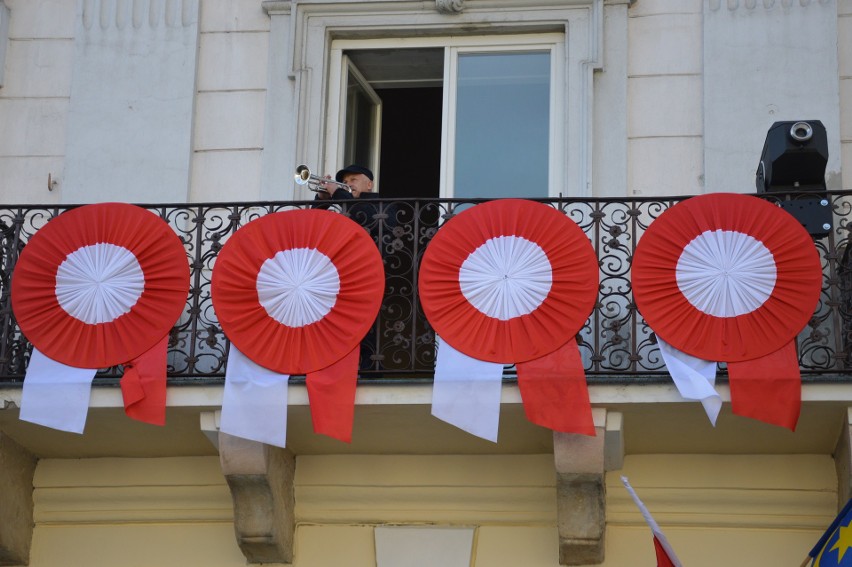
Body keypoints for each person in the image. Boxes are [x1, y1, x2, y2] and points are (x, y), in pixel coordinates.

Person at [313, 164, 394, 373]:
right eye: (345, 181)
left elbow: (365, 215)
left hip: (369, 276)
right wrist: (322, 200)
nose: (348, 184)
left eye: (353, 180)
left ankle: (368, 370)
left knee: (366, 327)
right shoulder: (341, 204)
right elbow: (313, 227)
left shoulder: (380, 204)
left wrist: (338, 192)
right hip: (339, 277)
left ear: (369, 184)